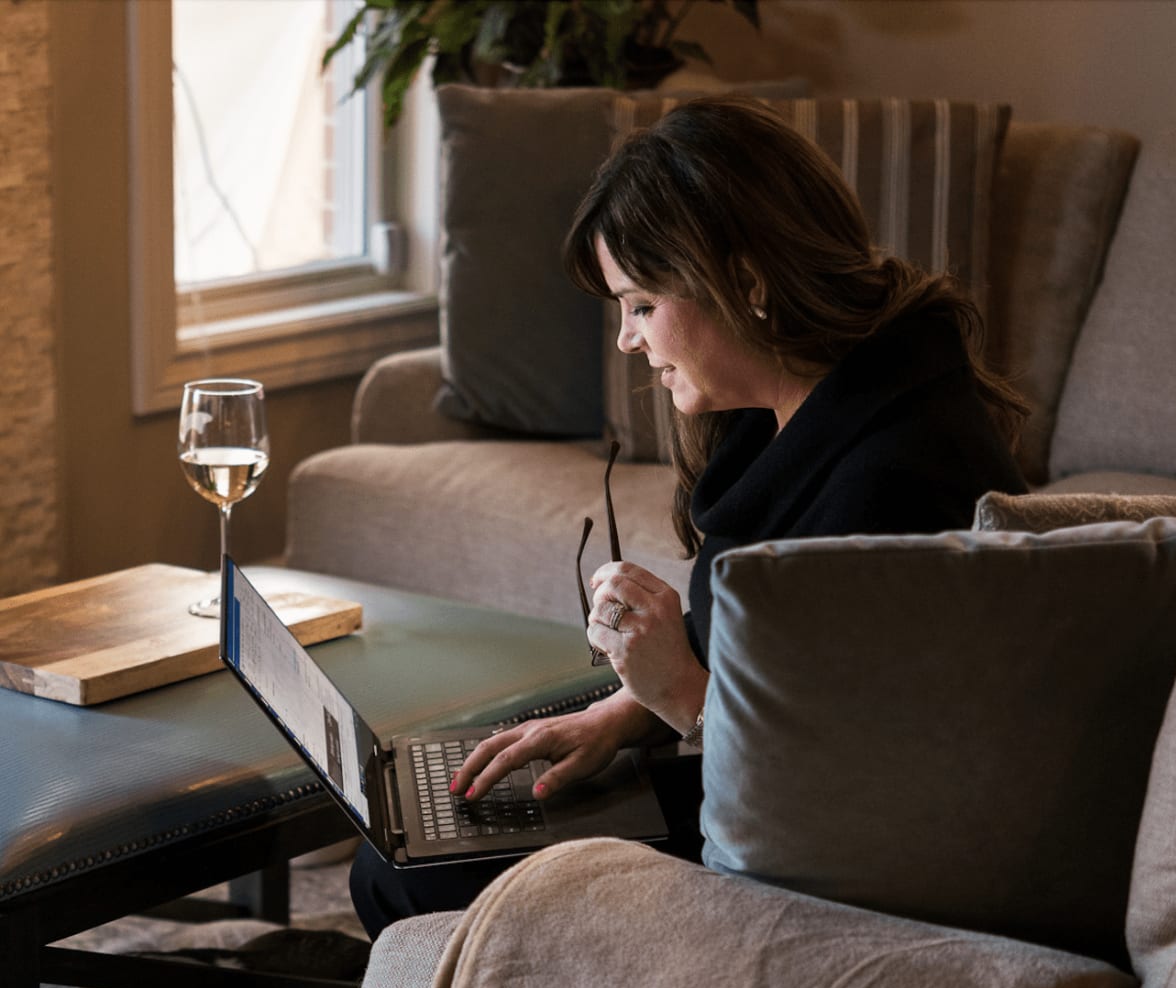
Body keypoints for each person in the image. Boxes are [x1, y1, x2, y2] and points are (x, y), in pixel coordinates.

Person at [349, 94, 1029, 939]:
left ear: (743, 282)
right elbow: (774, 661)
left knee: (408, 873)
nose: (629, 341)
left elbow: (848, 803)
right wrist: (618, 715)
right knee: (412, 838)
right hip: (741, 783)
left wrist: (674, 688)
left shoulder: (896, 480)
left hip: (803, 864)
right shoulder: (791, 408)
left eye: (640, 304)